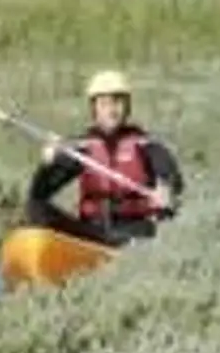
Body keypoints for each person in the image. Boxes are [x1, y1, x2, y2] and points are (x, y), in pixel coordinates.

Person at [25, 70, 185, 247]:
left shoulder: (146, 144)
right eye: (104, 104)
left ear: (127, 106)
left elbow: (170, 174)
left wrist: (167, 189)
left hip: (134, 229)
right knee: (35, 208)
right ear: (94, 108)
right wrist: (47, 164)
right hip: (93, 231)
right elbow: (39, 193)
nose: (111, 111)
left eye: (117, 102)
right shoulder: (82, 147)